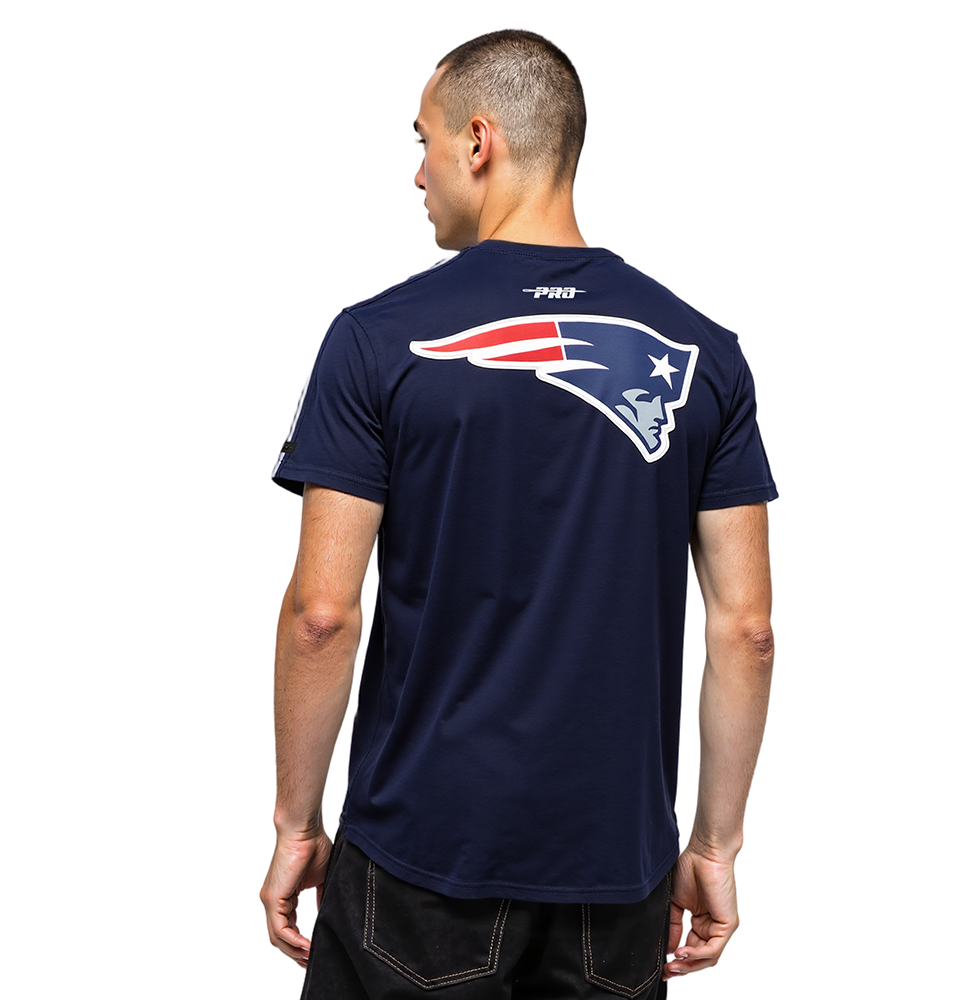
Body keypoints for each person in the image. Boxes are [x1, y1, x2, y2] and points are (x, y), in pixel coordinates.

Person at [260, 29, 777, 1000]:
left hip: (421, 858)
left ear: (478, 141)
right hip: (614, 879)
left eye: (424, 141)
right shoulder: (706, 355)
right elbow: (746, 629)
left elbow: (320, 614)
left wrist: (296, 823)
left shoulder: (376, 342)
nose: (418, 174)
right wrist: (713, 843)